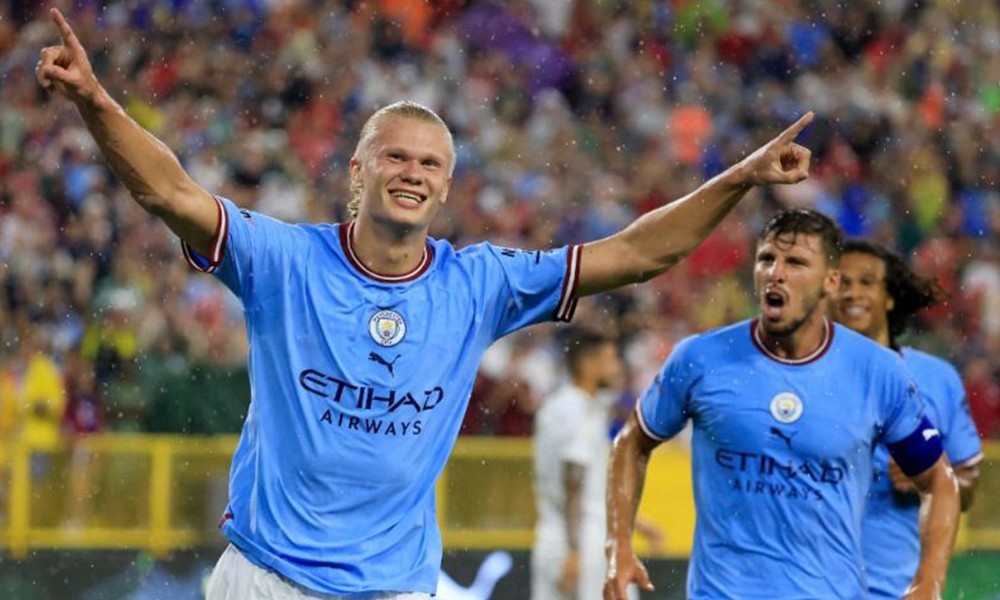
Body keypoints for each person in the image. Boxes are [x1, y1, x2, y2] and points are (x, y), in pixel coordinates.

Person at [37, 8, 814, 598]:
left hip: (397, 586)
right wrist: (96, 101)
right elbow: (170, 193)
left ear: (446, 187)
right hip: (268, 577)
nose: (412, 172)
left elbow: (639, 254)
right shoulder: (284, 261)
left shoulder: (479, 284)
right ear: (358, 171)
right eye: (395, 157)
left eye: (431, 164)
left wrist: (740, 177)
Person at [605, 209, 960, 600]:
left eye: (796, 263)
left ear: (830, 282)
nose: (776, 273)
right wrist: (618, 544)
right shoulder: (700, 358)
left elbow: (939, 480)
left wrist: (929, 581)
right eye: (766, 259)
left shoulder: (877, 371)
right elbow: (632, 442)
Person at [833, 239, 982, 599]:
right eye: (842, 282)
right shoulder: (801, 378)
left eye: (866, 282)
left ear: (889, 297)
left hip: (898, 590)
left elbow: (967, 481)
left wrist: (927, 478)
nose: (852, 293)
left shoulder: (937, 378)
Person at [532, 328, 624, 600]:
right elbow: (573, 478)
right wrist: (574, 551)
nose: (617, 368)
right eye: (611, 359)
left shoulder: (559, 406)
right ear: (588, 365)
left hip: (553, 535)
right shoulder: (579, 410)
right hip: (582, 541)